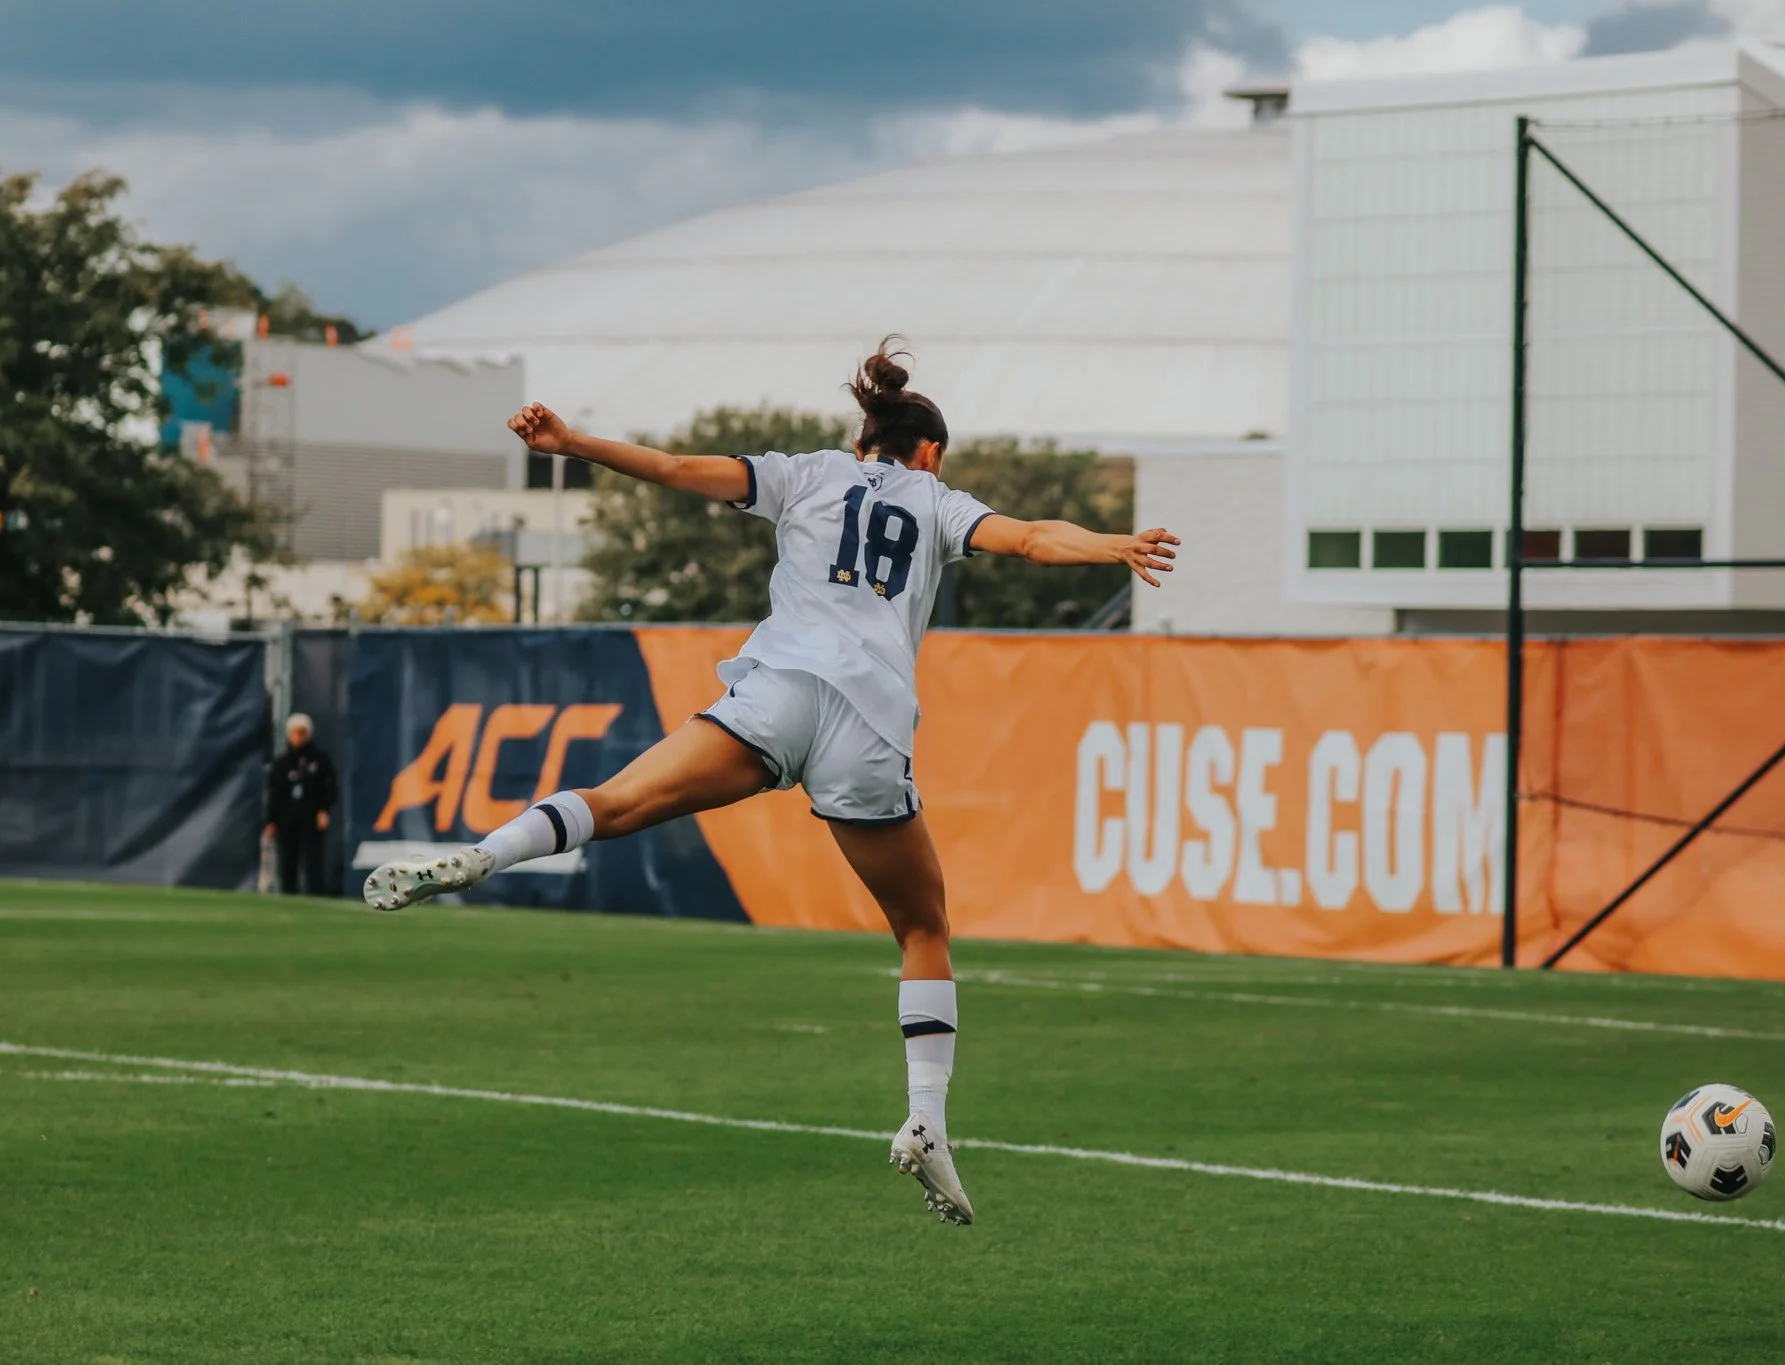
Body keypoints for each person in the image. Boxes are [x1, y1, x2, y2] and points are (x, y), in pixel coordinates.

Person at [364, 340, 1178, 1224]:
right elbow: (1030, 539)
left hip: (780, 693)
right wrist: (1114, 546)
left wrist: (573, 443)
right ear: (932, 453)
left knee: (618, 801)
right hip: (868, 724)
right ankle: (927, 1119)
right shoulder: (938, 501)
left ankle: (486, 855)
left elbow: (677, 468)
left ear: (862, 441)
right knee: (921, 926)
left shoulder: (805, 473)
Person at [266, 713, 338, 896]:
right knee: (288, 861)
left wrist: (324, 810)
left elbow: (329, 787)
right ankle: (288, 895)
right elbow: (274, 794)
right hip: (287, 819)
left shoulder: (320, 761)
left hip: (311, 818)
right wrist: (271, 820)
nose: (298, 738)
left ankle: (316, 895)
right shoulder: (282, 764)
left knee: (313, 860)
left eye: (302, 733)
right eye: (295, 733)